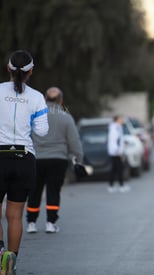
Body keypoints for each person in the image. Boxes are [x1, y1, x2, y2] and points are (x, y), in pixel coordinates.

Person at [0, 50, 49, 274]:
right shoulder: (37, 97)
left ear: (8, 68)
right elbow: (42, 132)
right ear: (30, 72)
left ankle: (0, 253)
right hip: (24, 158)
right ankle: (11, 260)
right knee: (14, 215)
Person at [26, 87, 83, 234]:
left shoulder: (35, 116)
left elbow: (26, 135)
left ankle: (31, 222)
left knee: (35, 191)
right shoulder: (66, 117)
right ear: (60, 100)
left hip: (36, 159)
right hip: (58, 159)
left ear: (45, 99)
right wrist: (78, 159)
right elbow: (74, 141)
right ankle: (50, 223)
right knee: (53, 191)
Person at [107, 115, 129, 193]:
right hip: (116, 153)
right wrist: (117, 151)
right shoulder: (115, 128)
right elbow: (114, 140)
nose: (122, 120)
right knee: (118, 169)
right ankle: (120, 186)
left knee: (115, 169)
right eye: (120, 119)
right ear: (117, 120)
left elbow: (120, 140)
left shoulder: (118, 127)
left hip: (116, 152)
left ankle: (112, 186)